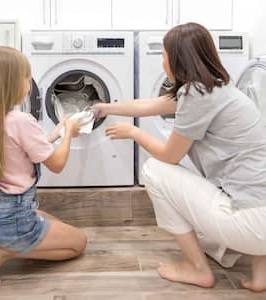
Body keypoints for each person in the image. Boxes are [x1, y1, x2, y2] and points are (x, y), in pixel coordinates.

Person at [93, 23, 266, 292]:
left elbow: (168, 156)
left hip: (251, 224)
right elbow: (149, 105)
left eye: (164, 55)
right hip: (261, 222)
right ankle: (260, 277)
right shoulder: (216, 87)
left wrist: (134, 132)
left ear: (177, 59)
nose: (163, 62)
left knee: (154, 169)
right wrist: (105, 107)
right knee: (248, 178)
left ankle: (197, 269)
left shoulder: (196, 94)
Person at [0, 47, 87, 291]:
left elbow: (27, 147)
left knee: (50, 219)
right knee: (78, 244)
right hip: (15, 222)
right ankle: (1, 251)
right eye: (26, 77)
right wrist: (70, 135)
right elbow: (57, 164)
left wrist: (57, 133)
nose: (29, 84)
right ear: (13, 83)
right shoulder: (22, 121)